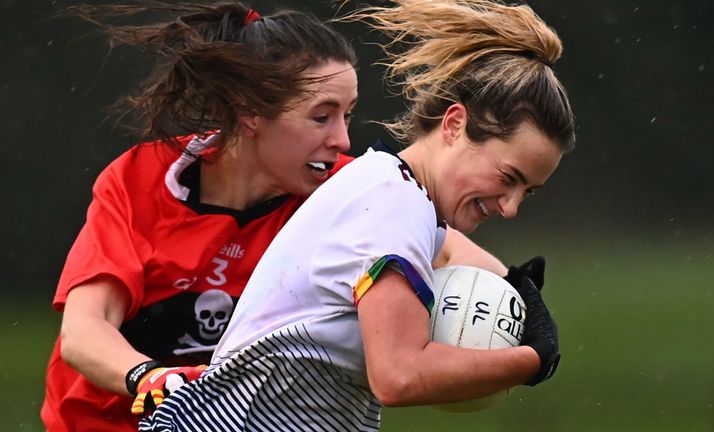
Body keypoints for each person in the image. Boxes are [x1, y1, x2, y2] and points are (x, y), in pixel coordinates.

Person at [42, 3, 510, 431]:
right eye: (321, 117)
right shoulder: (142, 179)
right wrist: (150, 377)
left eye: (347, 114)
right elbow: (84, 331)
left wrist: (516, 302)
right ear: (250, 114)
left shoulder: (345, 190)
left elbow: (453, 254)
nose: (343, 140)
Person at [138, 0, 576, 431]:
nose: (511, 206)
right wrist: (532, 360)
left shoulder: (390, 189)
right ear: (454, 125)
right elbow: (399, 377)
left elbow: (448, 253)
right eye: (508, 176)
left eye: (528, 192)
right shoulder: (393, 207)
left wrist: (520, 291)